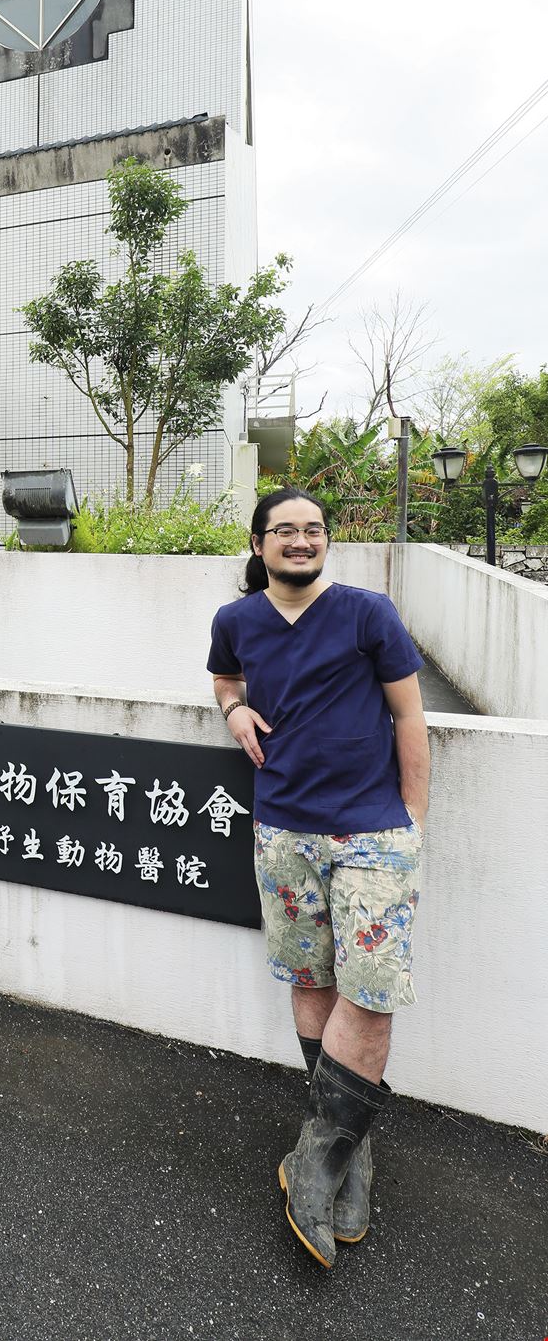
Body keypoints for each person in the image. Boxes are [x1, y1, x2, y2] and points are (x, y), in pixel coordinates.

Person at [207, 487, 430, 1270]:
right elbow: (226, 681)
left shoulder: (369, 613)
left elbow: (409, 716)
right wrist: (233, 711)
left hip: (372, 832)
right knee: (310, 978)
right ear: (260, 543)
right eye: (285, 531)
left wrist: (413, 821)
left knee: (367, 988)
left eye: (314, 530)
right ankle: (349, 1148)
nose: (302, 541)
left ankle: (321, 1154)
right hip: (283, 829)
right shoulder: (236, 621)